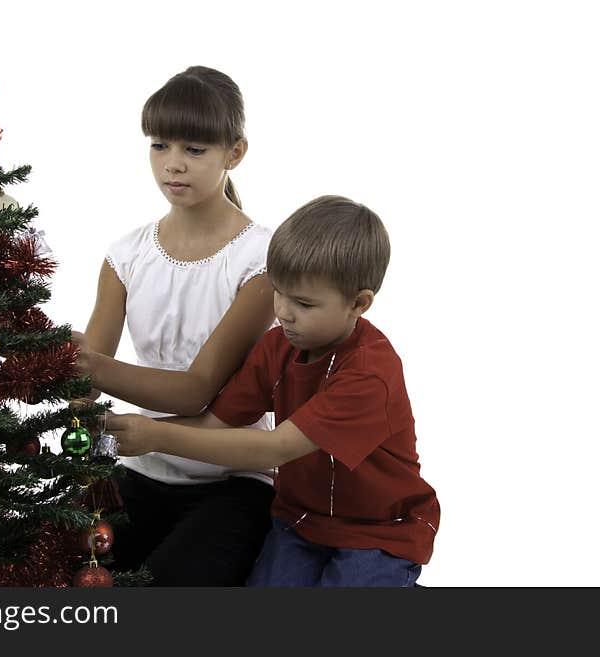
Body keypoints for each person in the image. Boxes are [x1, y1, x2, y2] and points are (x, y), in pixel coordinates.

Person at [108, 196, 440, 587]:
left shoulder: (369, 373)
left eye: (303, 302)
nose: (283, 311)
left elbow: (276, 448)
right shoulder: (277, 346)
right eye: (279, 292)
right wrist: (126, 429)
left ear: (359, 303)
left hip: (378, 528)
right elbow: (215, 421)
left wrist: (156, 436)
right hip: (299, 520)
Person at [71, 66, 276, 586]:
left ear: (235, 153)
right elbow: (85, 385)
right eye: (160, 146)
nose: (173, 165)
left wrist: (91, 366)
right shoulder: (127, 254)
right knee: (68, 573)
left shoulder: (263, 260)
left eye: (195, 150)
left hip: (231, 481)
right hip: (139, 471)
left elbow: (195, 391)